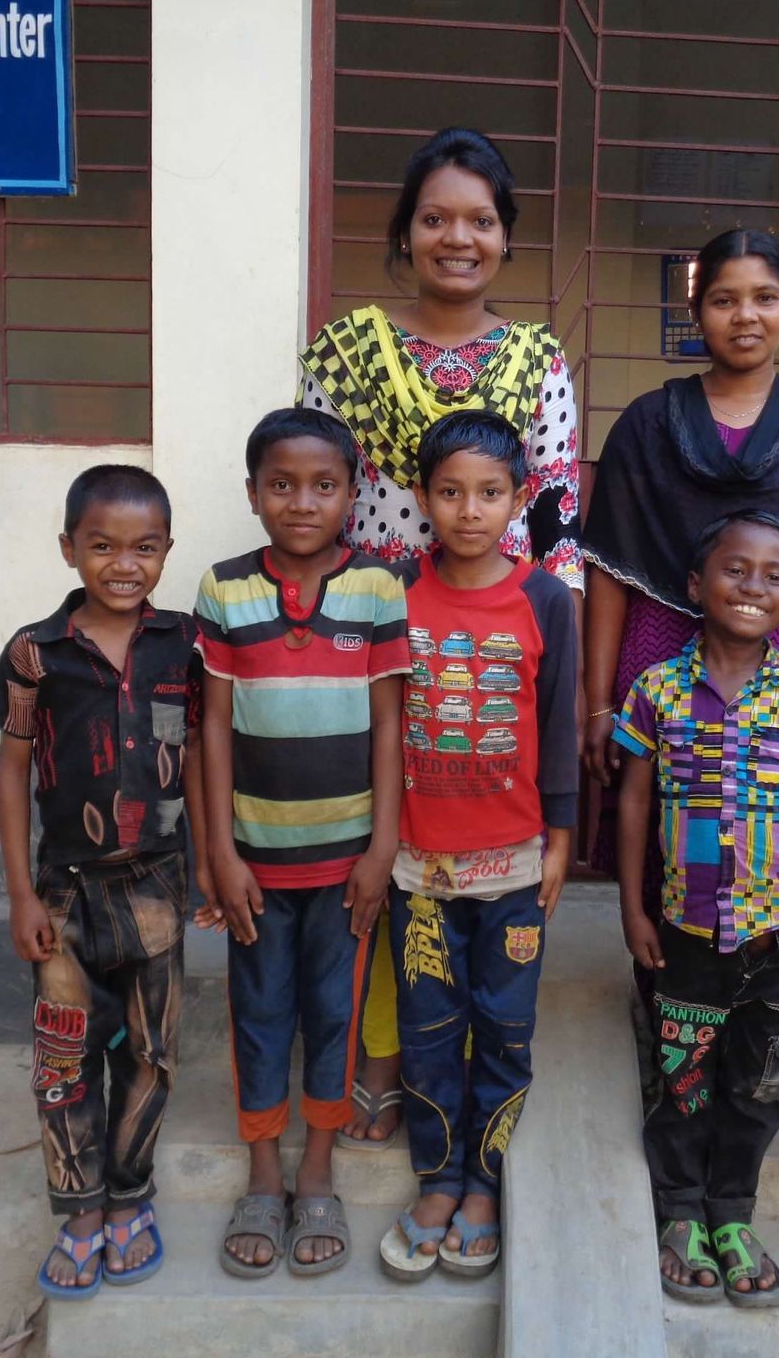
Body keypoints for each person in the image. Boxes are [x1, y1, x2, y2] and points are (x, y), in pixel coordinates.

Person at [298, 126, 582, 1150]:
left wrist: (546, 651)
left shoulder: (538, 359)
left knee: (462, 850)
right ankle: (375, 1054)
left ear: (506, 238)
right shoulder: (347, 352)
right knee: (374, 848)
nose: (457, 237)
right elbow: (317, 492)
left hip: (497, 647)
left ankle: (465, 1066)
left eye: (480, 220)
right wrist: (323, 629)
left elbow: (554, 510)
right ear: (405, 231)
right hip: (372, 633)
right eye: (436, 218)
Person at [582, 226, 779, 910]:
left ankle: (765, 982)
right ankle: (663, 979)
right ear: (696, 313)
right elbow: (608, 569)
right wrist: (599, 704)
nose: (745, 315)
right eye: (724, 299)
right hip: (660, 649)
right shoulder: (646, 424)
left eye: (764, 297)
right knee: (664, 819)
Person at [0, 464, 210, 1301]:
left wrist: (215, 866)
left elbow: (208, 756)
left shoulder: (186, 644)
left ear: (166, 552)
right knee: (64, 1057)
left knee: (151, 1053)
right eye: (103, 545)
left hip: (155, 886)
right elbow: (10, 773)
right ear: (70, 548)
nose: (124, 563)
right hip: (64, 895)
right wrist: (19, 894)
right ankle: (78, 1213)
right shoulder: (35, 652)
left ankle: (130, 1199)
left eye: (144, 547)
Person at [194, 409, 411, 1280]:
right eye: (281, 485)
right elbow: (212, 728)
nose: (302, 502)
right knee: (259, 1012)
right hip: (254, 863)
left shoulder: (376, 590)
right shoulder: (224, 589)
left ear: (352, 496)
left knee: (334, 1012)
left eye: (323, 486)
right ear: (252, 494)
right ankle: (260, 1173)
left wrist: (380, 850)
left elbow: (391, 724)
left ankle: (315, 1172)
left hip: (346, 865)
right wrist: (220, 852)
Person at [373, 411, 579, 1283]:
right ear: (421, 498)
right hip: (418, 864)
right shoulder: (391, 593)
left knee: (503, 1028)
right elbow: (373, 724)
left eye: (489, 493)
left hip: (515, 865)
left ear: (518, 499)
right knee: (428, 1030)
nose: (468, 511)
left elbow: (561, 721)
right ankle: (436, 1178)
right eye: (450, 492)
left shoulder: (545, 600)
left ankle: (486, 1186)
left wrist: (563, 838)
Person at [612, 511, 779, 1309]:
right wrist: (633, 908)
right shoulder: (657, 689)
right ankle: (679, 1212)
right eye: (736, 570)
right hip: (687, 925)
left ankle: (733, 1212)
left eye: (774, 576)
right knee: (685, 1075)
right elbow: (632, 804)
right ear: (697, 586)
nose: (754, 587)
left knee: (758, 1082)